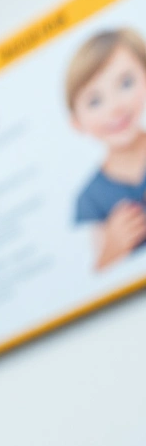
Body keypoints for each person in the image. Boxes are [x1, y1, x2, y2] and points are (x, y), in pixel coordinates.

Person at [67, 27, 146, 270]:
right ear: (77, 123)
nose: (115, 107)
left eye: (126, 83)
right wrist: (111, 249)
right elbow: (94, 278)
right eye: (95, 100)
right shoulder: (89, 200)